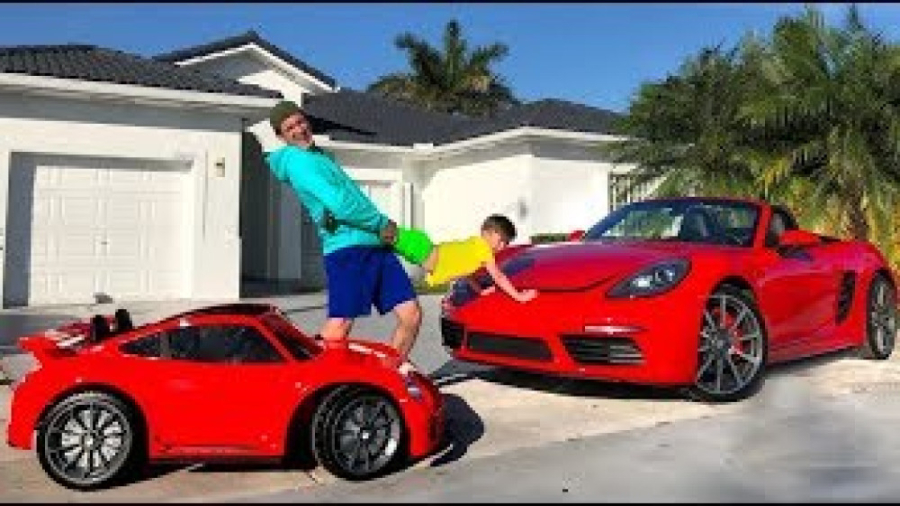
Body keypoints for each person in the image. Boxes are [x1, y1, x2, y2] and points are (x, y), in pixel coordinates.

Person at [264, 100, 419, 371]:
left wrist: (380, 231)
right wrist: (382, 224)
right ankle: (306, 379)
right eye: (290, 128)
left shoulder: (321, 157)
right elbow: (340, 205)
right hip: (348, 249)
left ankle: (387, 376)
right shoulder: (298, 162)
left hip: (373, 243)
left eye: (300, 122)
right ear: (281, 136)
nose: (299, 130)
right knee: (339, 326)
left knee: (411, 314)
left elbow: (352, 199)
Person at [392, 214, 538, 303]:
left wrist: (479, 291)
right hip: (421, 248)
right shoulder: (484, 248)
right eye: (500, 241)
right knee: (384, 232)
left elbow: (466, 273)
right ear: (486, 233)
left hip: (421, 251)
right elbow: (499, 276)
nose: (501, 246)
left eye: (506, 243)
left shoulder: (475, 248)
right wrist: (519, 296)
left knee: (384, 239)